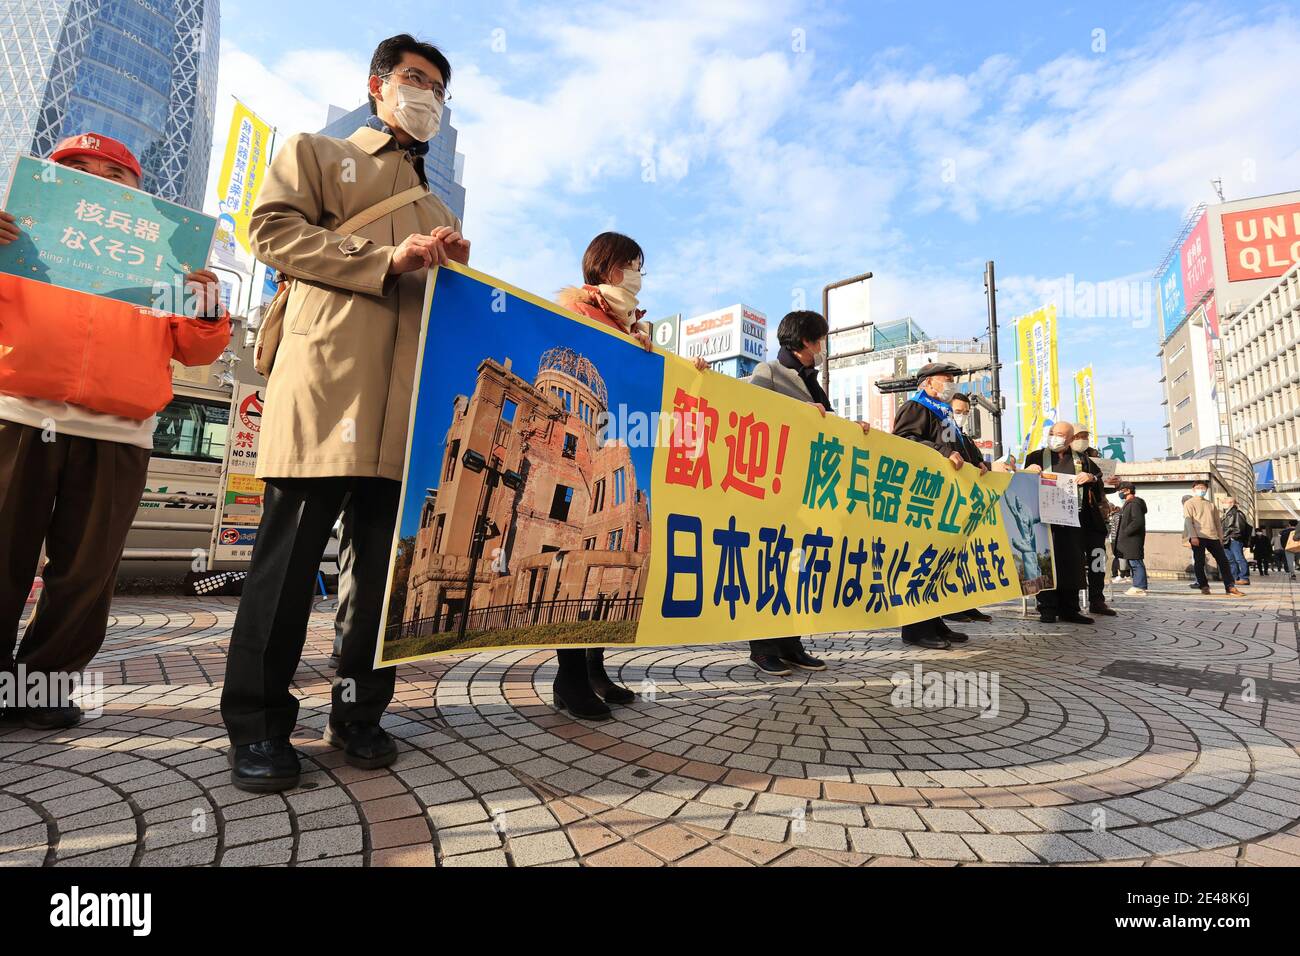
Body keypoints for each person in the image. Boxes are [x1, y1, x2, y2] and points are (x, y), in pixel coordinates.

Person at [220, 35, 471, 791]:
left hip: (403, 414)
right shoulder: (320, 155)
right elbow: (268, 231)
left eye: (439, 89)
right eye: (416, 79)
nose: (426, 95)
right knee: (288, 568)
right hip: (327, 391)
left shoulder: (435, 204)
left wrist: (450, 270)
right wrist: (382, 260)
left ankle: (357, 713)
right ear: (378, 85)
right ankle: (258, 726)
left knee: (378, 578)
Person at [0, 133, 229, 729]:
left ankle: (39, 689)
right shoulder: (16, 238)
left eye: (115, 172)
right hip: (18, 415)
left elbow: (196, 349)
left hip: (121, 432)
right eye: (78, 168)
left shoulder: (166, 261)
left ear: (137, 194)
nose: (96, 177)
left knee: (86, 572)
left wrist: (207, 306)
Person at [549, 232, 656, 719]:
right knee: (577, 561)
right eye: (632, 264)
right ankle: (568, 679)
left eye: (640, 266)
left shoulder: (633, 327)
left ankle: (594, 669)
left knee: (599, 571)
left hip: (614, 444)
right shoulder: (577, 313)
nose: (637, 273)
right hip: (582, 454)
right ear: (606, 267)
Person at [736, 310, 871, 675]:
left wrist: (851, 428)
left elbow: (826, 426)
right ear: (806, 341)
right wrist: (799, 412)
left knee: (796, 569)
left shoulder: (811, 379)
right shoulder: (768, 372)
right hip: (776, 489)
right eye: (821, 339)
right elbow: (753, 414)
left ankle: (791, 643)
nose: (824, 346)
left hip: (808, 492)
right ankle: (762, 647)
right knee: (770, 566)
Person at [891, 363, 988, 649]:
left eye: (953, 380)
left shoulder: (944, 414)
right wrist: (943, 452)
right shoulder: (915, 408)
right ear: (927, 384)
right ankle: (915, 628)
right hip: (924, 499)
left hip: (947, 501)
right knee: (920, 560)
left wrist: (976, 461)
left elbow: (959, 448)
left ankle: (935, 622)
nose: (951, 385)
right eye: (946, 380)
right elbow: (905, 441)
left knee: (939, 562)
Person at [1024, 422, 1094, 625]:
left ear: (1071, 439)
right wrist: (1029, 471)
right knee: (1045, 562)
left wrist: (1089, 476)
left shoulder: (1081, 459)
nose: (1055, 437)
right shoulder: (1036, 456)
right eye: (1052, 433)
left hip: (1071, 519)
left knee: (1072, 563)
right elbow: (1021, 483)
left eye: (1061, 435)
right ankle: (1046, 608)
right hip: (1043, 520)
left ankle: (1070, 608)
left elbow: (1097, 478)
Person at [942, 393, 994, 625]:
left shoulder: (964, 437)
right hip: (950, 501)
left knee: (966, 556)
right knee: (950, 556)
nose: (961, 416)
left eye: (965, 412)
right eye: (958, 411)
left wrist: (983, 465)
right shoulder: (946, 431)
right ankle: (950, 605)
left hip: (968, 504)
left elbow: (977, 462)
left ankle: (967, 602)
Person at [1067, 428, 1115, 616]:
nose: (1083, 440)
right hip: (1069, 518)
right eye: (1079, 437)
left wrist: (1108, 482)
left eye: (1085, 437)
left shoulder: (1092, 457)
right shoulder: (1057, 458)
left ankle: (1097, 599)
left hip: (1093, 517)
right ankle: (1072, 603)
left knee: (1097, 558)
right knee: (1073, 562)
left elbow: (1100, 484)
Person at [1183, 481, 1244, 597]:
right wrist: (1193, 536)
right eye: (1198, 487)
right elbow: (1188, 521)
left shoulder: (1211, 504)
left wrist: (1220, 537)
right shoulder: (1189, 503)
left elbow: (1217, 522)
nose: (1201, 489)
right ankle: (1203, 586)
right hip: (1198, 536)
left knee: (1223, 561)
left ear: (1206, 489)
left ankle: (1230, 586)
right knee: (1199, 562)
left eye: (1203, 487)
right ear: (1193, 489)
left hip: (1213, 537)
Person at [1112, 483, 1148, 595]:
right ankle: (1137, 586)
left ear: (1127, 491)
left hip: (1133, 539)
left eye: (1121, 490)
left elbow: (1138, 521)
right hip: (1130, 540)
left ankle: (1139, 587)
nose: (1119, 493)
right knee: (1133, 563)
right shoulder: (1129, 504)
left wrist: (1126, 532)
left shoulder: (1134, 504)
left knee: (1136, 562)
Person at [1220, 497, 1252, 586]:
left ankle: (1244, 578)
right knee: (1231, 560)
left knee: (1239, 558)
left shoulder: (1237, 513)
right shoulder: (1226, 514)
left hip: (1233, 539)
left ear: (1231, 503)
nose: (1224, 504)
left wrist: (1231, 536)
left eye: (1224, 502)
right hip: (1226, 540)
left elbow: (1239, 528)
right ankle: (1234, 578)